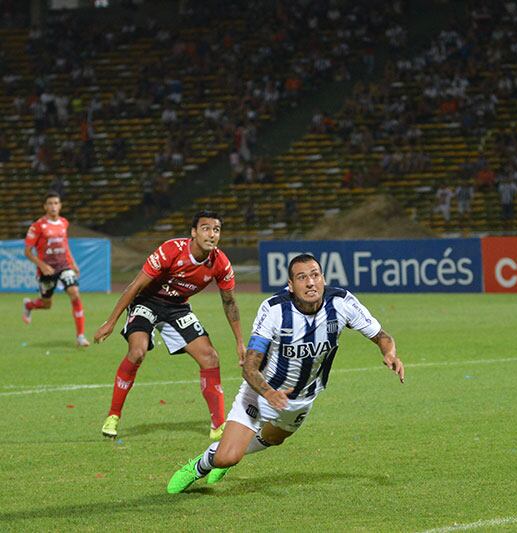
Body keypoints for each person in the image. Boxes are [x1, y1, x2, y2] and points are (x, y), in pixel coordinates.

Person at [166, 253, 405, 494]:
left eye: (315, 275)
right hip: (260, 392)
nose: (310, 283)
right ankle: (201, 465)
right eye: (302, 278)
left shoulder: (342, 303)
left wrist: (390, 354)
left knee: (274, 438)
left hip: (303, 397)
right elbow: (250, 367)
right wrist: (268, 392)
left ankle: (229, 448)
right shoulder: (274, 310)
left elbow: (382, 336)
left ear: (323, 278)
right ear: (291, 285)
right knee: (227, 458)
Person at [93, 210, 246, 440]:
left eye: (216, 229)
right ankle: (113, 416)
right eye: (205, 228)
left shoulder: (221, 263)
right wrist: (111, 321)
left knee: (210, 357)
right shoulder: (171, 250)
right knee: (137, 351)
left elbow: (230, 302)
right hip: (147, 301)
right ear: (193, 232)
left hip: (177, 307)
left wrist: (239, 342)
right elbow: (135, 286)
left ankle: (218, 426)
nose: (212, 234)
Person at [22, 191, 90, 347]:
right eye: (50, 203)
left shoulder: (64, 223)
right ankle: (29, 305)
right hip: (47, 270)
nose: (53, 206)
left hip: (63, 266)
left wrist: (72, 263)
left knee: (74, 293)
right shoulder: (37, 226)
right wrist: (42, 265)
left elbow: (64, 245)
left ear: (60, 206)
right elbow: (27, 252)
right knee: (46, 304)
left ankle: (80, 336)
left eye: (56, 203)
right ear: (45, 206)